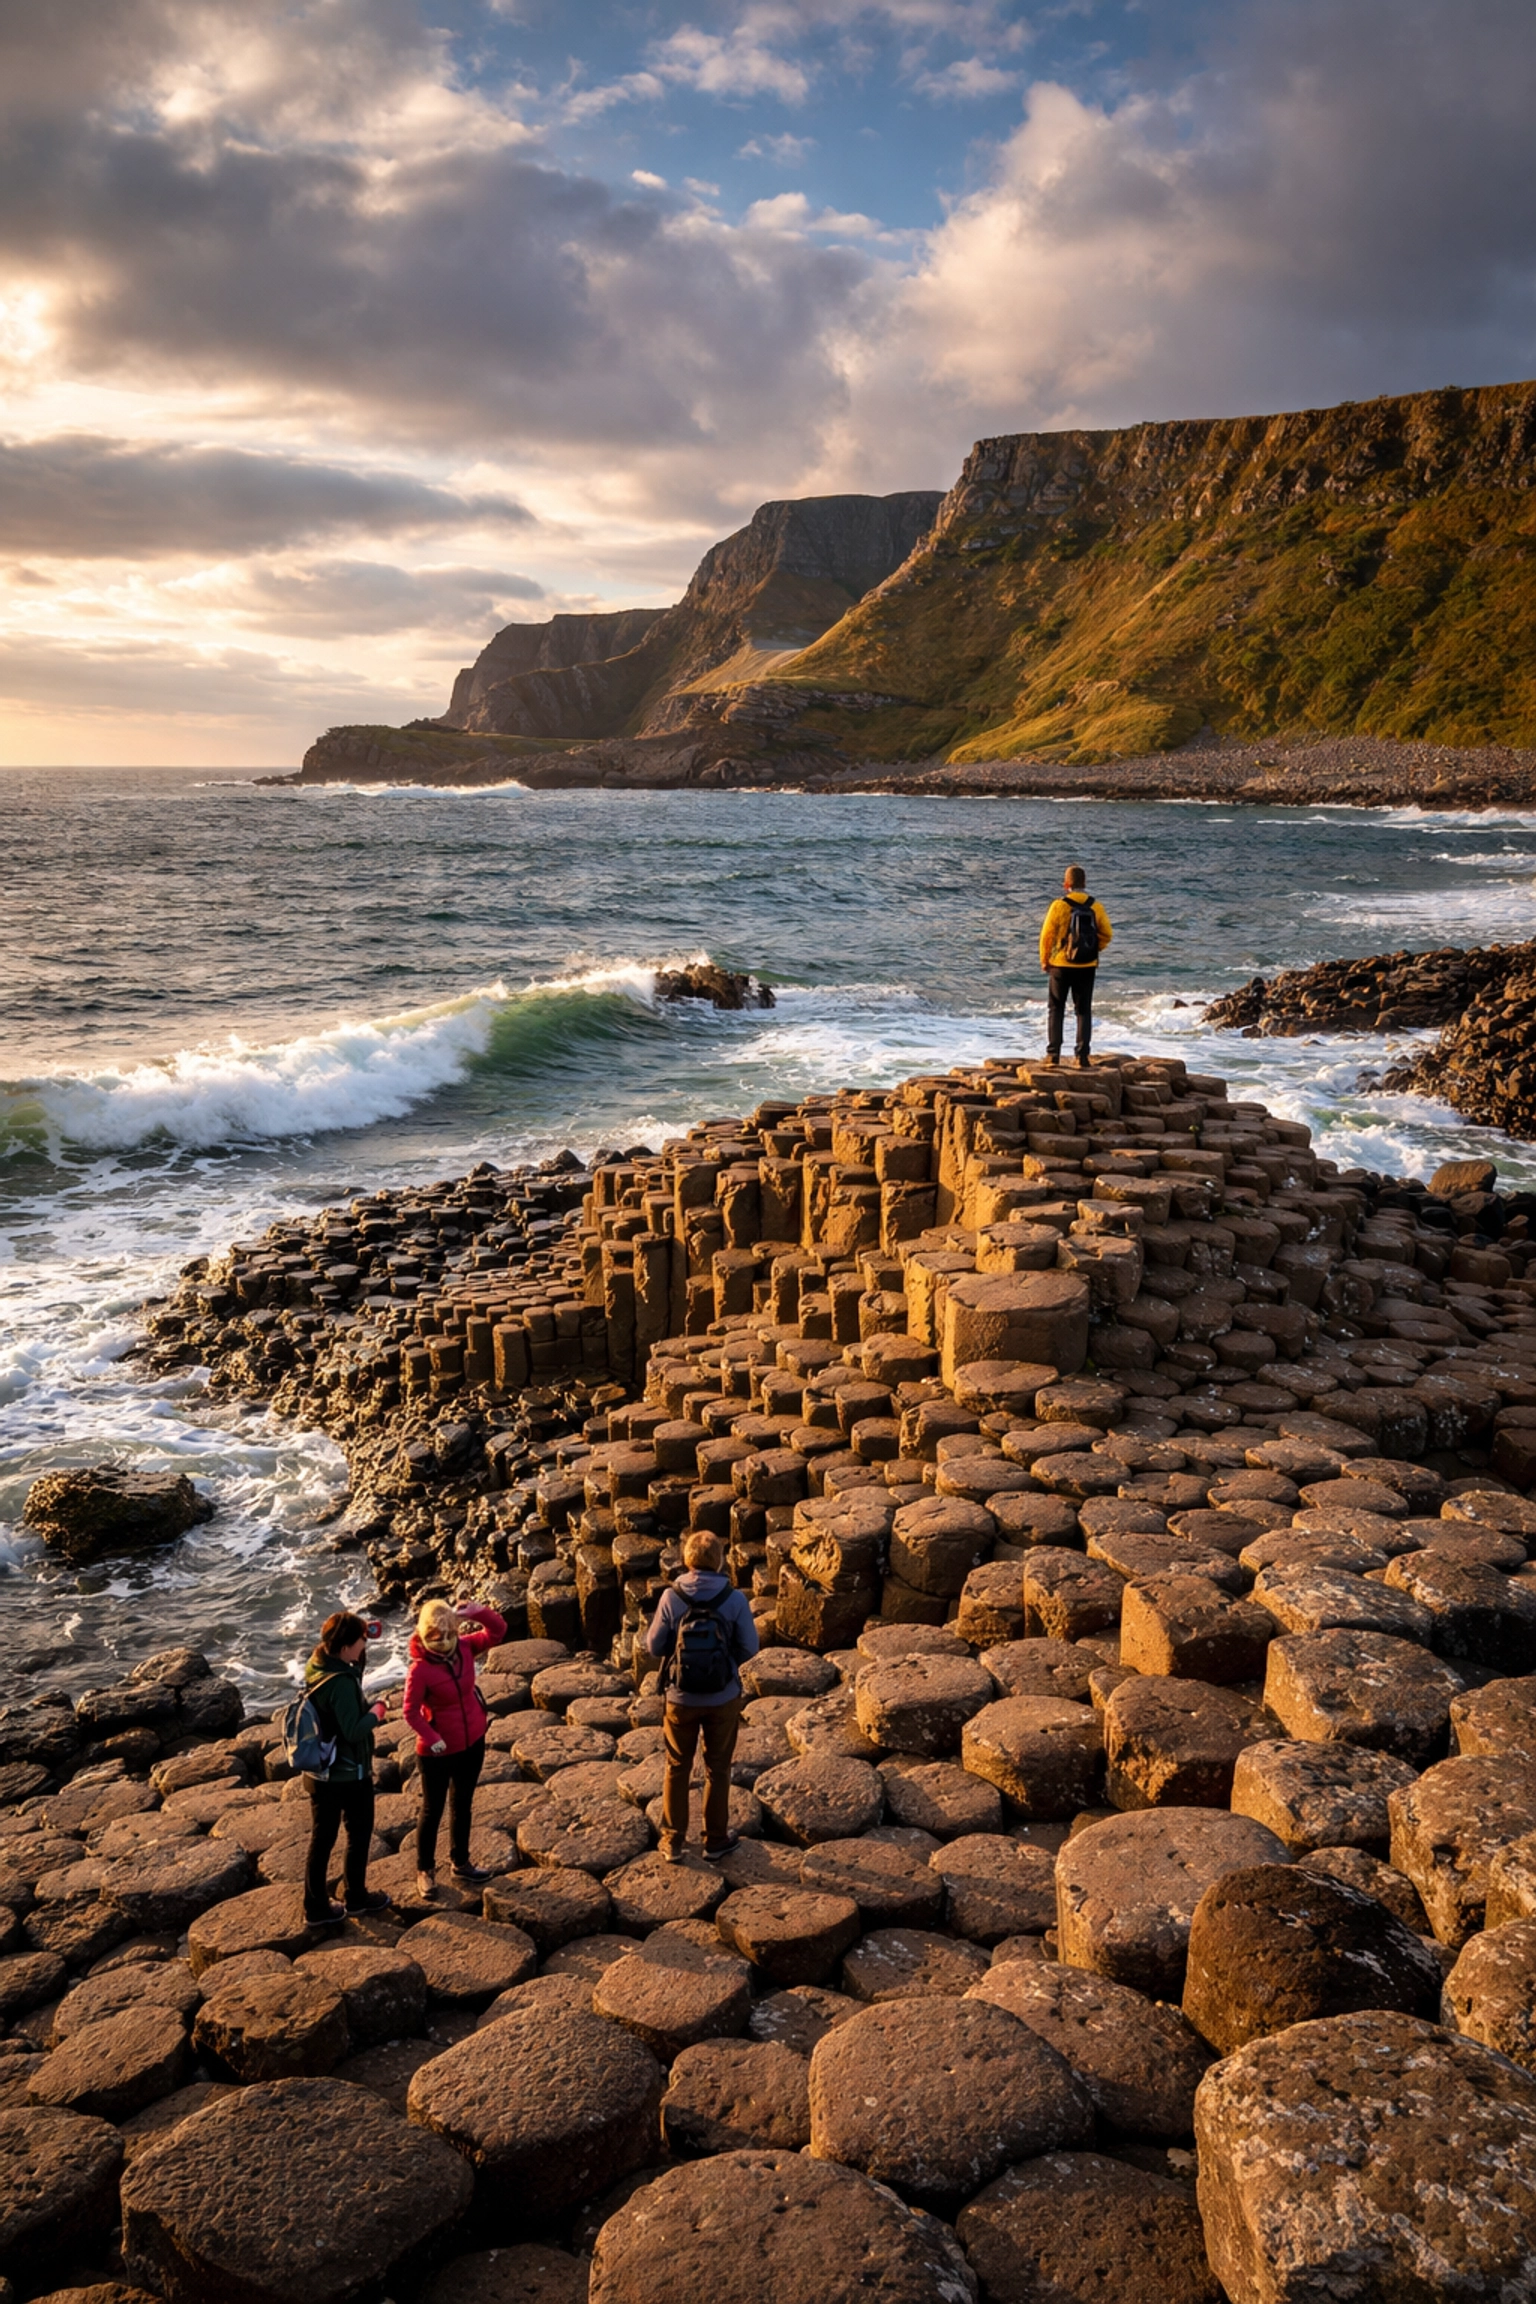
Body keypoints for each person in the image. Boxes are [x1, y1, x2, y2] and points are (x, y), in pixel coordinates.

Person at [646, 1530, 760, 1864]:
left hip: (679, 1698)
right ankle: (715, 1840)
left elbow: (653, 1646)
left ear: (687, 1559)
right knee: (718, 1768)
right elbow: (750, 1647)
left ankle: (672, 1841)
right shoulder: (735, 1598)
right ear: (719, 1560)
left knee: (677, 1766)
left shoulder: (672, 1596)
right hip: (723, 1698)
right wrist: (725, 1666)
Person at [403, 1594, 507, 1900]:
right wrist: (433, 1738)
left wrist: (479, 1612)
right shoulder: (419, 1670)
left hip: (472, 1740)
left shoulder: (465, 1647)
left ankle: (460, 1862)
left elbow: (498, 1631)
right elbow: (409, 1712)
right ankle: (425, 1871)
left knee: (463, 1804)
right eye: (436, 1638)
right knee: (432, 1810)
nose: (444, 1642)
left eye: (449, 1634)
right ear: (423, 1635)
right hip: (436, 1751)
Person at [302, 1611, 391, 1926]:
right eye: (361, 1640)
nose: (365, 1643)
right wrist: (378, 1712)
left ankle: (315, 1906)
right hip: (347, 1773)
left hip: (319, 1773)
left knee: (322, 1838)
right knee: (358, 1834)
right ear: (344, 1648)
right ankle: (356, 1897)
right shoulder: (340, 1683)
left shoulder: (317, 1663)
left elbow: (341, 1713)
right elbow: (353, 1730)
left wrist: (359, 1647)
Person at [1039, 864, 1113, 1068]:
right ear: (1084, 883)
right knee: (1083, 1010)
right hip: (1087, 965)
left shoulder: (1059, 905)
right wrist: (1093, 950)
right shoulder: (1095, 906)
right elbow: (1107, 934)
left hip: (1060, 965)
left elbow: (1046, 936)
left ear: (1066, 885)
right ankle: (1082, 1056)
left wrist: (1045, 960)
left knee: (1056, 1008)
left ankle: (1053, 1054)